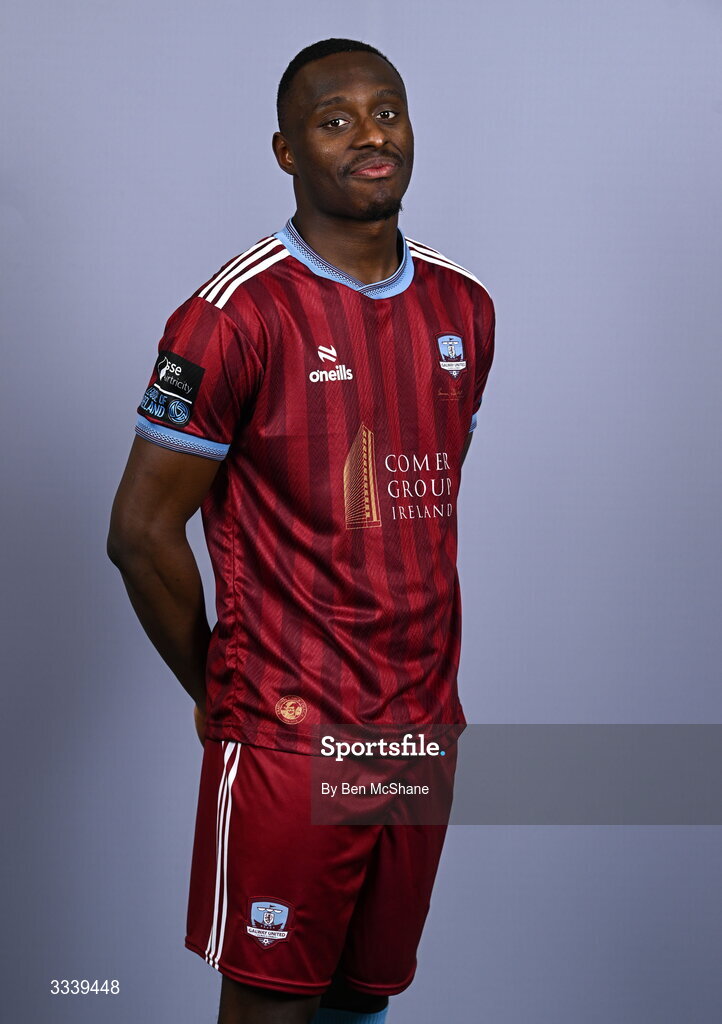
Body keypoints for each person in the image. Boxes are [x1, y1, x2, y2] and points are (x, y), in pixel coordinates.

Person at [107, 36, 495, 1024]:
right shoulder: (230, 318)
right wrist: (218, 690)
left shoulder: (464, 305)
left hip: (419, 732)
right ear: (286, 151)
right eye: (334, 120)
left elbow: (404, 509)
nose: (370, 133)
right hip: (294, 739)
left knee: (362, 1001)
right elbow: (140, 533)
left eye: (386, 111)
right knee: (273, 1007)